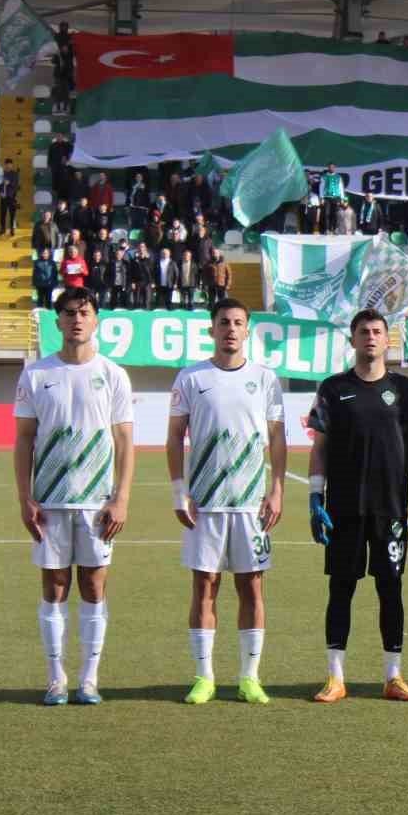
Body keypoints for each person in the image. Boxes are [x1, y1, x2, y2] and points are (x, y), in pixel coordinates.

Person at [13, 288, 135, 705]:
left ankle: (89, 679)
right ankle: (56, 678)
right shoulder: (36, 374)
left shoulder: (113, 374)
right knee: (55, 586)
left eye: (84, 312)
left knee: (94, 586)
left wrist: (121, 497)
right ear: (58, 321)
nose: (76, 319)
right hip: (49, 501)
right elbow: (24, 440)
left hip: (98, 503)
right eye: (68, 313)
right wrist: (25, 497)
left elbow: (125, 441)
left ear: (95, 319)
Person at [166, 298, 286, 705]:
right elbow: (174, 438)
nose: (230, 329)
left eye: (238, 322)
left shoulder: (266, 378)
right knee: (204, 586)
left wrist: (277, 489)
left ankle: (249, 677)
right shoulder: (191, 378)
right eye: (223, 323)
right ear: (212, 330)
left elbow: (277, 438)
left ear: (247, 329)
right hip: (205, 504)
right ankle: (204, 677)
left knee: (252, 588)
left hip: (251, 506)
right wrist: (178, 489)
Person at [306, 309, 408, 702]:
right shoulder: (332, 388)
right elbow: (320, 446)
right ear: (353, 339)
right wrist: (314, 496)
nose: (371, 338)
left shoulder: (405, 388)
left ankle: (393, 676)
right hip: (344, 507)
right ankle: (335, 677)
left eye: (378, 332)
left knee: (390, 588)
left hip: (391, 507)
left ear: (387, 339)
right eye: (364, 332)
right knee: (340, 589)